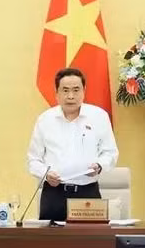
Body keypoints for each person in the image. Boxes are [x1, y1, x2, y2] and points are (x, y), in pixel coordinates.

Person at [27, 67, 119, 221]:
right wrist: (45, 174)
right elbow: (33, 159)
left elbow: (110, 152)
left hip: (87, 193)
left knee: (89, 243)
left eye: (76, 90)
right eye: (65, 90)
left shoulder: (99, 117)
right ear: (56, 93)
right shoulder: (45, 120)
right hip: (54, 194)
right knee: (51, 243)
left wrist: (99, 165)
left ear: (84, 91)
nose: (71, 96)